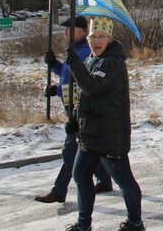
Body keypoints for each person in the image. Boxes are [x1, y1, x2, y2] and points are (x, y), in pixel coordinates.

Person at [64, 17, 144, 231]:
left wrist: (73, 64)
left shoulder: (113, 63)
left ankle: (135, 223)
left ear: (110, 39)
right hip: (90, 133)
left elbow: (93, 88)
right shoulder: (92, 60)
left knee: (124, 181)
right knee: (80, 175)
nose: (96, 41)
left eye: (101, 37)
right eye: (92, 37)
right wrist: (74, 120)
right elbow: (84, 97)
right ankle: (83, 225)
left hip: (110, 134)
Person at [34, 16, 112, 204]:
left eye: (68, 29)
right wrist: (54, 64)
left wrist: (57, 90)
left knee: (71, 151)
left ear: (79, 30)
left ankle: (59, 190)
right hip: (73, 107)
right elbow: (67, 74)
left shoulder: (85, 51)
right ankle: (104, 180)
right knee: (88, 147)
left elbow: (84, 83)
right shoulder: (76, 49)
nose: (65, 33)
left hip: (81, 108)